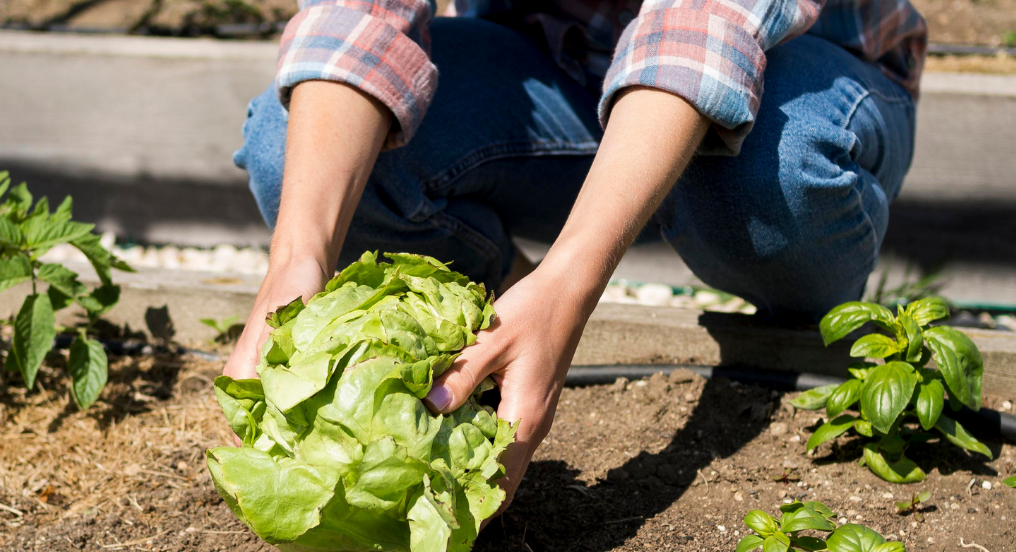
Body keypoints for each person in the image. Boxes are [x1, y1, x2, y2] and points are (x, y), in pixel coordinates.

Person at [225, 0, 926, 514]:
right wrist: (296, 257)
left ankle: (801, 337)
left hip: (796, 77)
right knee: (288, 149)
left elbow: (703, 27)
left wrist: (573, 280)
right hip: (557, 69)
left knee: (766, 170)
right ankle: (497, 333)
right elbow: (360, 17)